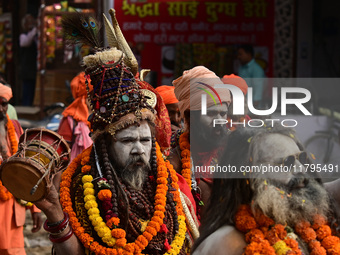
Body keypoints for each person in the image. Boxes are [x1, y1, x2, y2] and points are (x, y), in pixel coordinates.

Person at [33, 10, 199, 254]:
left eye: (145, 140)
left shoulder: (172, 185)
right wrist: (55, 213)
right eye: (128, 140)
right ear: (105, 143)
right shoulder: (80, 185)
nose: (139, 149)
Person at [192, 125, 340, 255]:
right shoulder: (227, 243)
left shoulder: (303, 224)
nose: (301, 169)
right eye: (286, 162)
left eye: (300, 159)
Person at [169, 66, 231, 219]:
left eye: (223, 114)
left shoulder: (237, 149)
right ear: (190, 116)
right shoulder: (171, 154)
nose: (219, 121)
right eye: (211, 114)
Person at [0, 83, 42, 255]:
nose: (1, 108)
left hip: (12, 210)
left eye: (4, 104)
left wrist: (36, 208)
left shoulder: (15, 129)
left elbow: (28, 167)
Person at [57, 71, 93, 162]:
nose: (96, 99)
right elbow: (61, 154)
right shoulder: (70, 120)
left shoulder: (103, 118)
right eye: (92, 96)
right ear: (84, 98)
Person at [19, 14, 37, 106]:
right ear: (25, 24)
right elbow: (26, 43)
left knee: (33, 89)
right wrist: (35, 29)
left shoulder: (36, 36)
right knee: (27, 89)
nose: (32, 23)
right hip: (27, 68)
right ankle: (26, 105)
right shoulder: (23, 36)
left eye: (32, 21)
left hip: (34, 68)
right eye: (29, 21)